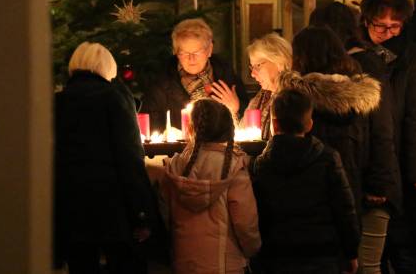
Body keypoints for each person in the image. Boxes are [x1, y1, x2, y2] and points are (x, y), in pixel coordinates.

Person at [281, 26, 397, 274]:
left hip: (313, 202)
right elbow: (381, 137)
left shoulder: (297, 99)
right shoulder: (364, 96)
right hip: (359, 186)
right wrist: (378, 183)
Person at [54, 42, 156, 274]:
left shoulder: (58, 102)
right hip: (113, 205)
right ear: (108, 67)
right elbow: (129, 158)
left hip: (70, 205)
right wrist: (141, 213)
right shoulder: (115, 99)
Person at [360, 0, 416, 274]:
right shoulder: (355, 56)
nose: (388, 33)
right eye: (380, 26)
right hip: (369, 162)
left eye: (395, 26)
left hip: (404, 159)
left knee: (407, 248)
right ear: (366, 21)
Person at [252, 88, 360, 274]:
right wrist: (351, 252)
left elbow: (260, 214)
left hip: (278, 256)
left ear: (274, 125)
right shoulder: (327, 158)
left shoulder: (263, 164)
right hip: (322, 256)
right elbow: (344, 210)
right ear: (309, 124)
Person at [160, 98, 261, 274]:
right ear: (230, 130)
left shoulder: (175, 167)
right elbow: (245, 223)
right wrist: (253, 250)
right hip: (225, 265)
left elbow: (165, 215)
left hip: (184, 263)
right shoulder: (234, 168)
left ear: (191, 129)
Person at [141, 18, 248, 131]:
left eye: (197, 52)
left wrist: (236, 108)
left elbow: (248, 118)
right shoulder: (162, 81)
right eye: (184, 53)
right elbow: (152, 126)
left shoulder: (225, 74)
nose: (191, 58)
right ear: (176, 53)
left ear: (209, 50)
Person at [243, 33, 292, 140]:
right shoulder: (260, 100)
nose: (252, 74)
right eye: (252, 67)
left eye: (258, 66)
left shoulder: (293, 99)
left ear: (279, 61)